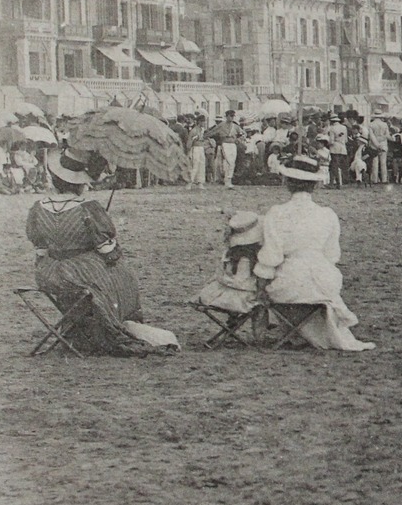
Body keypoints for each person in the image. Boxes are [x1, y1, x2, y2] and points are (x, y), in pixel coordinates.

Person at [26, 148, 179, 355]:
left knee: (103, 277)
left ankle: (80, 328)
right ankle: (109, 327)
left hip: (48, 274)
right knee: (123, 276)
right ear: (81, 182)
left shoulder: (38, 208)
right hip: (80, 272)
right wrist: (112, 245)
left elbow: (40, 250)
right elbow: (106, 250)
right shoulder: (88, 207)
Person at [254, 154, 374, 351]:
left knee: (270, 280)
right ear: (315, 185)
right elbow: (332, 256)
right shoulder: (327, 214)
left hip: (290, 284)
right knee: (318, 282)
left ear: (287, 183)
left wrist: (261, 286)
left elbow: (271, 257)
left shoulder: (277, 213)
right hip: (324, 282)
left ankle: (295, 329)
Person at [195, 210, 264, 320]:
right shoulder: (258, 256)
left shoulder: (229, 253)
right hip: (244, 300)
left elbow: (219, 275)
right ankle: (260, 335)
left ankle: (233, 321)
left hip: (220, 296)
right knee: (263, 301)